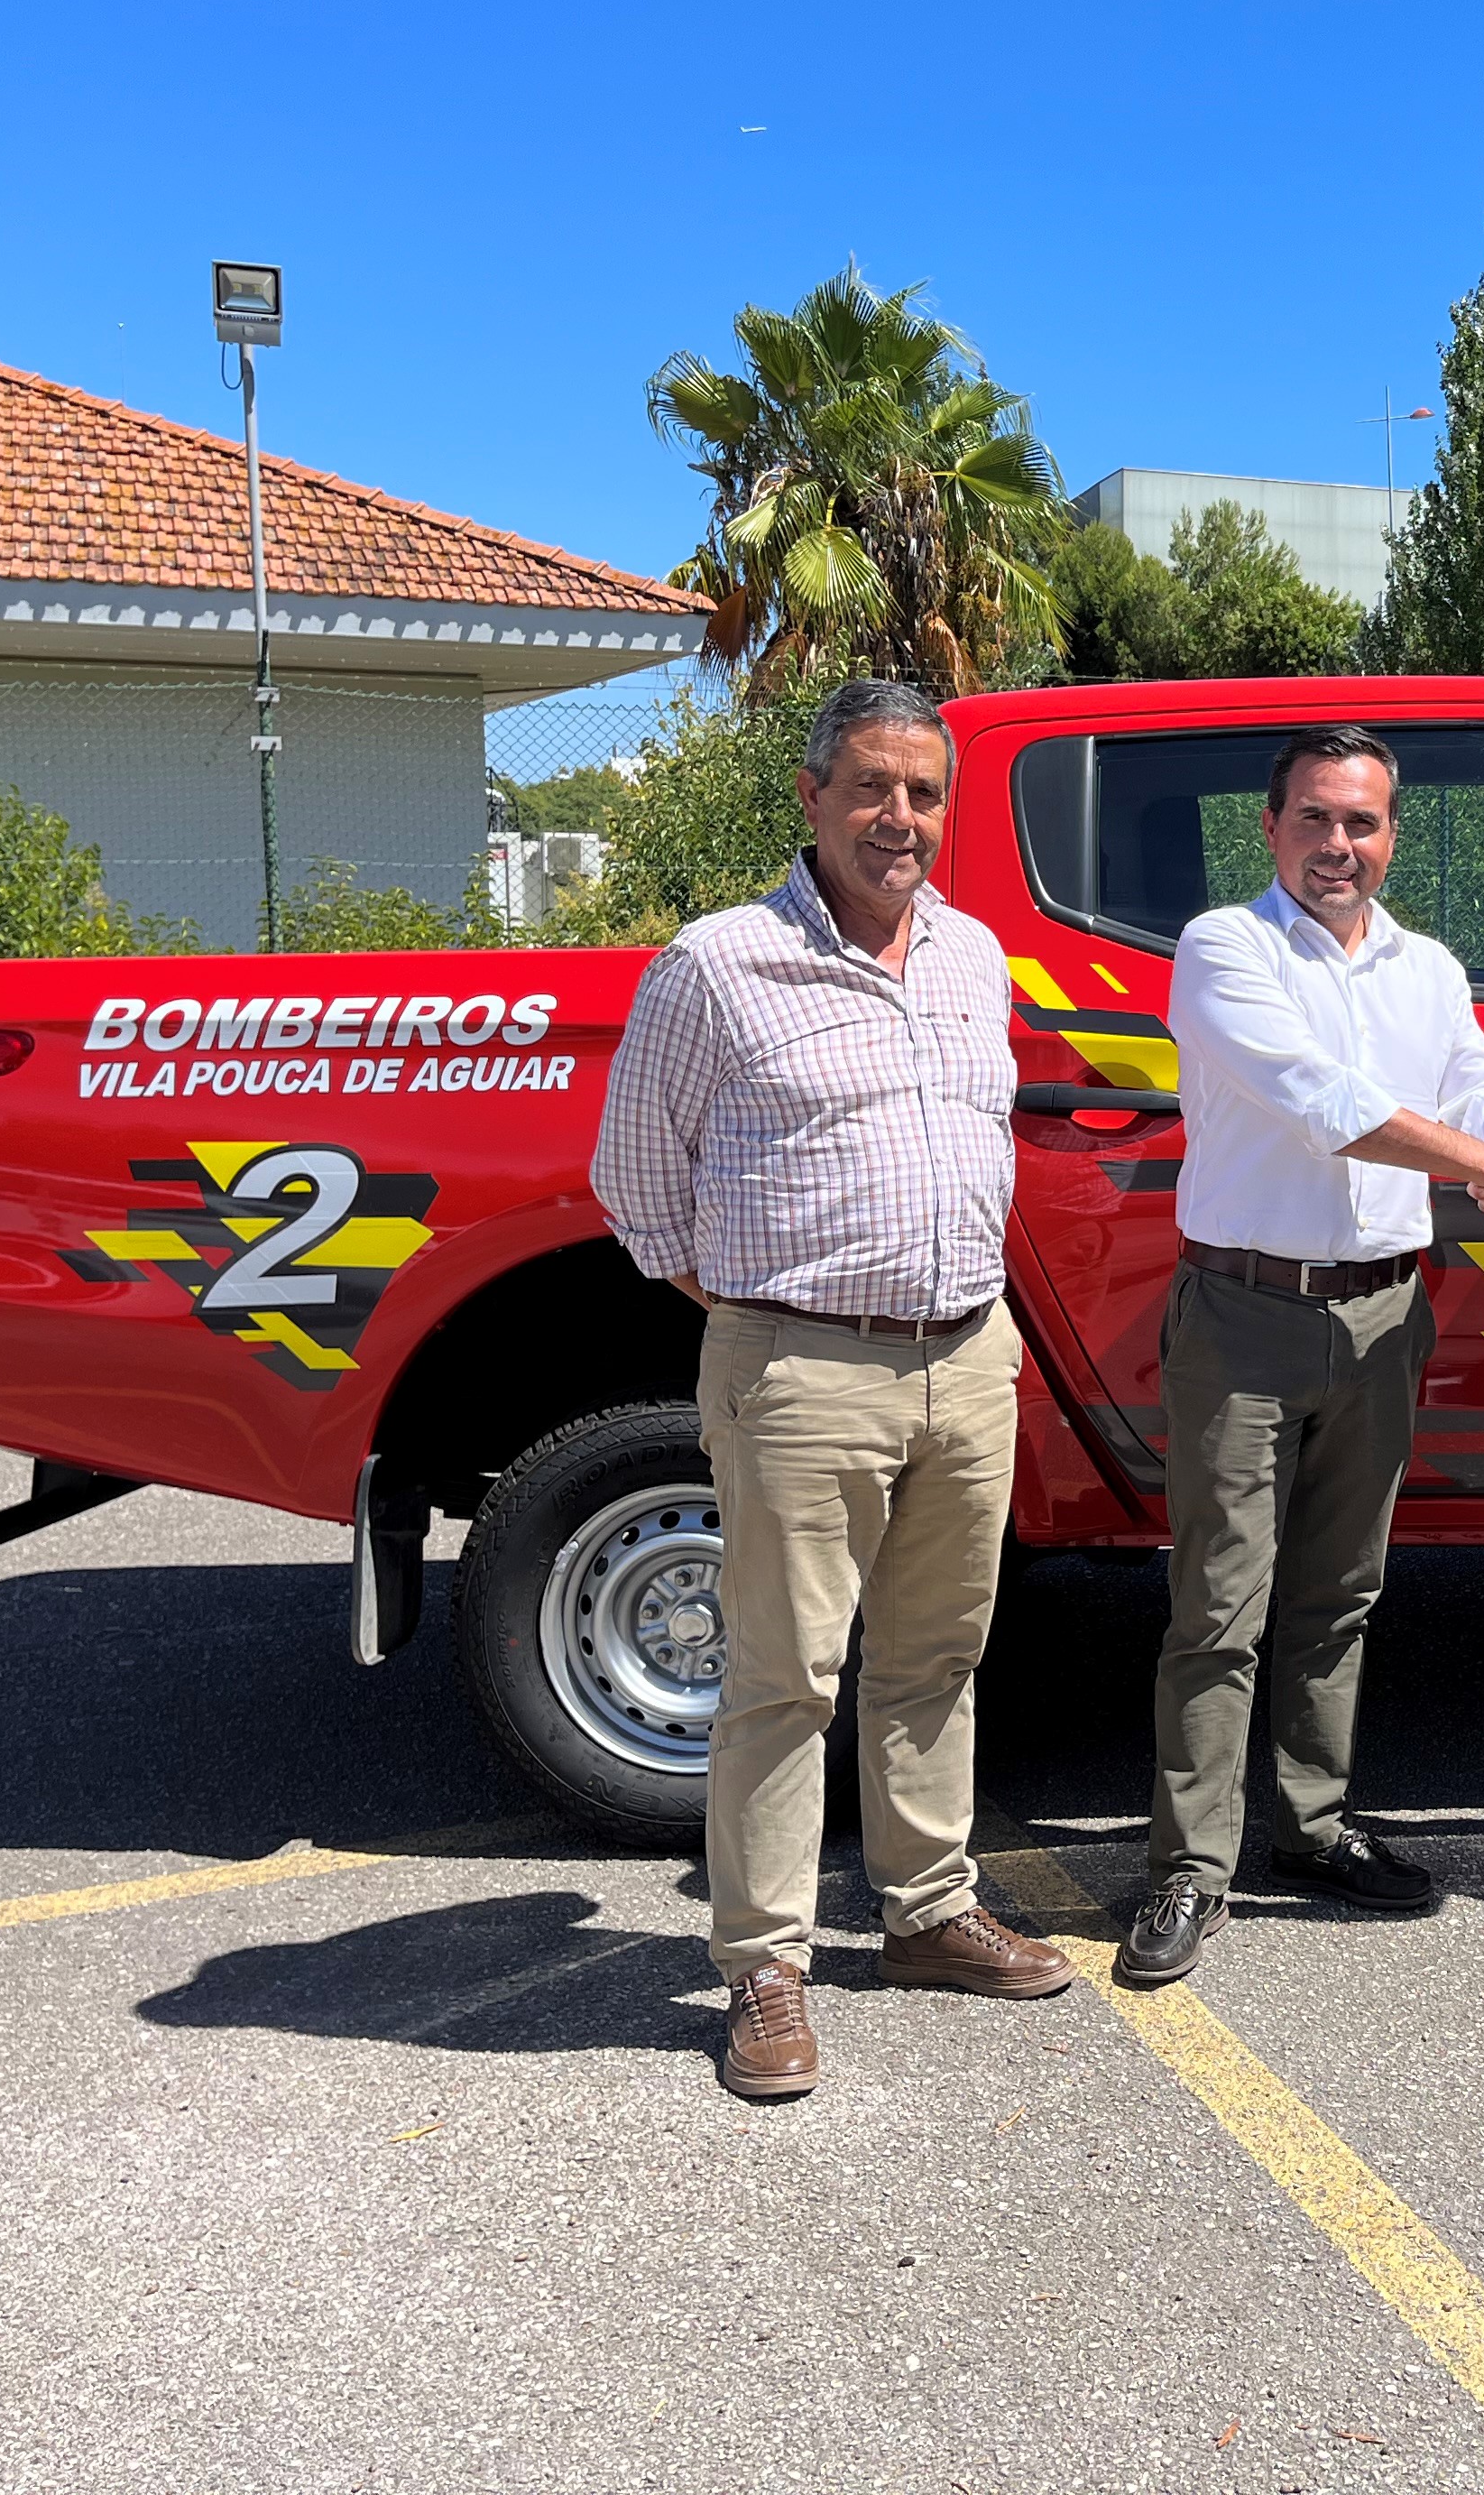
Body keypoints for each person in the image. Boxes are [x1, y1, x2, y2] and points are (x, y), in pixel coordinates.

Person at [592, 675, 1074, 2102]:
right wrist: (764, 1323)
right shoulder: (716, 965)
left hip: (965, 1355)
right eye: (870, 787)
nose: (899, 817)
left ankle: (927, 1914)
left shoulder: (977, 958)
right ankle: (765, 1970)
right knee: (783, 1679)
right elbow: (636, 1185)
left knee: (936, 1659)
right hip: (799, 1362)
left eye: (924, 793)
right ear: (809, 798)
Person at [1117, 725, 1484, 1988]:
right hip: (1243, 1316)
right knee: (1219, 1605)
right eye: (1319, 820)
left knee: (1340, 1594)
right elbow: (1322, 1103)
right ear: (1272, 831)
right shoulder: (1225, 948)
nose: (1343, 846)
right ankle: (1191, 1869)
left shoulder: (1426, 969)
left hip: (1385, 1312)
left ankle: (1316, 1831)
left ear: (1392, 834)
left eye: (1366, 823)